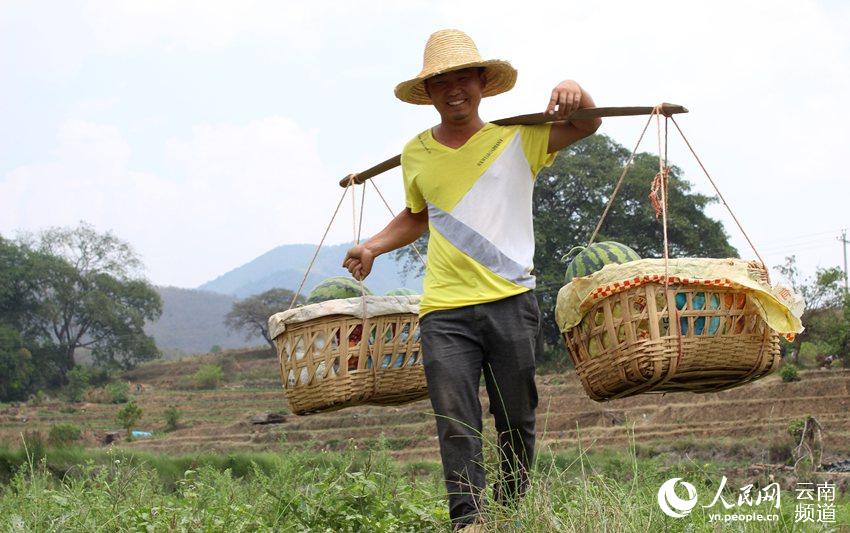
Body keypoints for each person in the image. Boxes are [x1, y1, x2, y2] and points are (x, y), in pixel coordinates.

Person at [343, 29, 601, 530]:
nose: (454, 89)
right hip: (444, 311)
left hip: (511, 302)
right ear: (429, 93)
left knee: (517, 420)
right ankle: (469, 521)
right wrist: (372, 245)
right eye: (442, 81)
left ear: (482, 82)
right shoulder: (416, 152)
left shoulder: (517, 138)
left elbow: (586, 124)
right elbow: (420, 215)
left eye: (464, 77)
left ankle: (508, 511)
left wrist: (575, 89)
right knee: (456, 422)